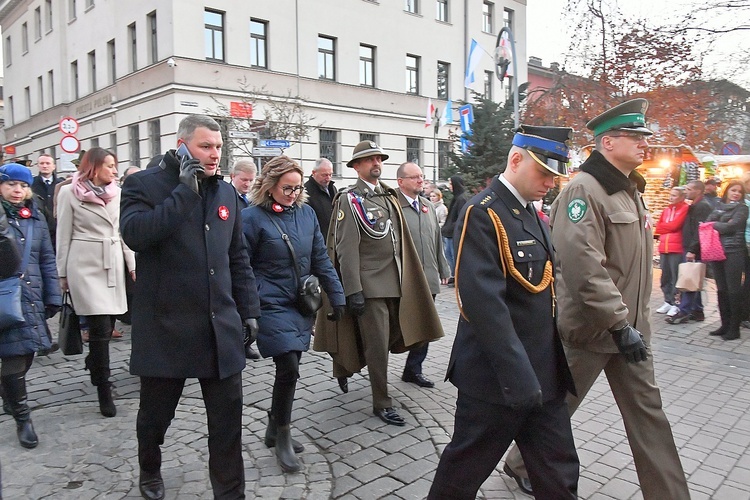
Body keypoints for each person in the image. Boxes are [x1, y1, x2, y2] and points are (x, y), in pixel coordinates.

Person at [503, 99, 690, 500]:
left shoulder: (629, 190)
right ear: (608, 142)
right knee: (560, 406)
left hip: (631, 332)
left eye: (645, 137)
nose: (645, 144)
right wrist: (619, 324)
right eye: (636, 137)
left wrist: (631, 326)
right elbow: (583, 265)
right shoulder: (583, 190)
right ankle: (520, 462)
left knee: (649, 419)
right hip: (592, 331)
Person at [429, 126, 579, 499]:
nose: (550, 183)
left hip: (543, 374)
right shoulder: (483, 213)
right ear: (516, 159)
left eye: (554, 176)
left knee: (559, 472)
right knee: (462, 474)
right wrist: (519, 377)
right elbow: (483, 306)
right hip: (497, 379)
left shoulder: (529, 214)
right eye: (544, 173)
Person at [120, 114, 260, 500]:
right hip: (166, 329)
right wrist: (185, 191)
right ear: (182, 145)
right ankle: (150, 467)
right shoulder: (142, 185)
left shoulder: (227, 192)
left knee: (227, 426)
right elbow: (136, 236)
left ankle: (230, 493)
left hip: (220, 330)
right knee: (154, 419)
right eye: (206, 146)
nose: (215, 154)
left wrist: (249, 310)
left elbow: (238, 258)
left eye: (218, 147)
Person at [313, 140, 443, 426]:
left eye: (379, 159)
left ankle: (351, 367)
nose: (376, 163)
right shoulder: (350, 199)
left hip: (397, 282)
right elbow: (346, 248)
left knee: (406, 333)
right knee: (377, 344)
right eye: (369, 159)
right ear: (357, 166)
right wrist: (353, 290)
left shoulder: (388, 196)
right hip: (371, 287)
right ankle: (382, 402)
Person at [241, 155, 345, 473]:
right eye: (287, 188)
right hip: (269, 304)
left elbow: (319, 258)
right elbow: (241, 267)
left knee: (292, 367)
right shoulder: (251, 219)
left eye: (297, 188)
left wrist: (337, 295)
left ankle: (274, 428)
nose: (292, 194)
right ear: (270, 186)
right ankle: (283, 434)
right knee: (288, 365)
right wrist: (248, 310)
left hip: (300, 304)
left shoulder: (307, 214)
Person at [56, 148, 135, 418]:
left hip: (112, 262)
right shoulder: (69, 192)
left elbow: (122, 231)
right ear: (94, 167)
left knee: (110, 321)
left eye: (115, 166)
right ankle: (104, 386)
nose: (114, 171)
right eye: (109, 165)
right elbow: (63, 234)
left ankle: (94, 360)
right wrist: (62, 273)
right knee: (100, 328)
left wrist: (131, 263)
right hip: (85, 264)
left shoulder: (118, 193)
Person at [0, 164, 61, 449]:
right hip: (5, 296)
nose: (17, 190)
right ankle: (23, 418)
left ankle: (8, 393)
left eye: (22, 186)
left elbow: (46, 259)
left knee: (27, 355)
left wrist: (52, 295)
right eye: (11, 184)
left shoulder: (35, 216)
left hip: (32, 295)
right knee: (14, 354)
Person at [395, 162, 450, 389]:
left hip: (428, 279)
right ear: (401, 182)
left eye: (422, 176)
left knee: (426, 326)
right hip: (403, 281)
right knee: (395, 328)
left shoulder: (427, 206)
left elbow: (436, 240)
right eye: (415, 177)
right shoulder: (394, 208)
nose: (421, 181)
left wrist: (443, 268)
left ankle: (413, 370)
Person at [705, 180, 749, 341]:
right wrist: (721, 223)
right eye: (733, 190)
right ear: (727, 191)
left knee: (733, 290)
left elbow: (732, 226)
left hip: (734, 252)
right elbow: (709, 222)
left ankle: (734, 328)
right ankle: (724, 324)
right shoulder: (719, 206)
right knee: (721, 289)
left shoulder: (742, 208)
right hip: (717, 251)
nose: (736, 193)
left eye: (739, 191)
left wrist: (716, 223)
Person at [667, 180, 713, 324]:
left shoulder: (702, 206)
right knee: (694, 277)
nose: (685, 191)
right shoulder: (694, 205)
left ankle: (684, 311)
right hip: (689, 246)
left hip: (694, 248)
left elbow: (700, 230)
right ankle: (697, 310)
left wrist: (692, 249)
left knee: (689, 278)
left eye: (688, 189)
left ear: (697, 191)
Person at [229, 158, 260, 359]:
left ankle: (246, 341)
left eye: (251, 180)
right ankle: (239, 343)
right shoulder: (228, 196)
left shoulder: (247, 199)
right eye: (244, 180)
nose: (247, 184)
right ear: (233, 177)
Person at [654, 187, 689, 317]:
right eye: (671, 195)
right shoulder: (667, 209)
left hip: (676, 248)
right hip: (664, 247)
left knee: (676, 277)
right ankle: (667, 301)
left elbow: (676, 225)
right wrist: (668, 228)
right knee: (665, 277)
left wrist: (667, 227)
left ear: (681, 197)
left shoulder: (685, 209)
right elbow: (658, 227)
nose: (671, 197)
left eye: (674, 195)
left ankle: (676, 304)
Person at [30, 154, 63, 250]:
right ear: (38, 166)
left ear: (54, 166)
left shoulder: (61, 184)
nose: (45, 166)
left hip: (58, 228)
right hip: (39, 227)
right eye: (42, 163)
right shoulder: (32, 184)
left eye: (48, 163)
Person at [441, 175, 469, 285]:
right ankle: (454, 275)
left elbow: (460, 217)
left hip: (454, 233)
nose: (450, 186)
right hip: (449, 233)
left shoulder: (461, 199)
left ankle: (458, 277)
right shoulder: (456, 198)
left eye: (451, 184)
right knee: (449, 255)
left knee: (454, 256)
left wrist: (451, 227)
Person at [303, 158, 337, 241]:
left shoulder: (332, 188)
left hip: (334, 239)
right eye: (324, 175)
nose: (328, 178)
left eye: (330, 174)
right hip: (319, 240)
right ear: (314, 173)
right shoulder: (306, 192)